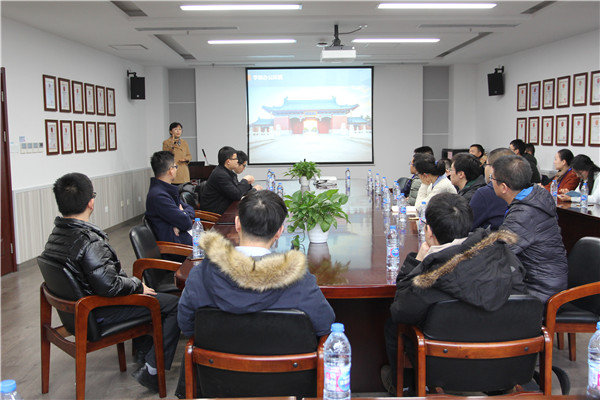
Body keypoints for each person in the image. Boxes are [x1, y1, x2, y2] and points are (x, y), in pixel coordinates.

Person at [176, 190, 335, 396]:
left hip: (218, 384)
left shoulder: (201, 275)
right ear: (279, 231)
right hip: (287, 387)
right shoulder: (299, 281)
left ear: (237, 224)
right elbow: (326, 325)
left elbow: (187, 325)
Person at [41, 173, 180, 393]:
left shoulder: (55, 236)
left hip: (77, 313)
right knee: (173, 305)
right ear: (91, 202)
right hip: (97, 313)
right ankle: (153, 371)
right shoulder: (89, 241)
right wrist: (137, 285)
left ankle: (145, 352)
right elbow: (110, 286)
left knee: (152, 298)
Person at [382, 193, 527, 394]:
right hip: (504, 362)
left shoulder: (431, 279)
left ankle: (405, 387)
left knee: (393, 325)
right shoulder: (504, 255)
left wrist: (417, 262)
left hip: (444, 369)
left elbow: (400, 310)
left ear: (429, 232)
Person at [492, 155, 568, 302]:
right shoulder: (533, 197)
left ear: (503, 187)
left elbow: (498, 251)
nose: (490, 181)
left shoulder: (525, 213)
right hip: (534, 279)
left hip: (540, 290)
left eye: (492, 178)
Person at [145, 151, 195, 246]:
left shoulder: (166, 190)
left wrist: (181, 219)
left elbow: (190, 209)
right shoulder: (159, 196)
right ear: (171, 170)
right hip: (177, 246)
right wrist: (182, 216)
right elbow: (186, 222)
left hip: (183, 238)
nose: (176, 170)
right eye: (176, 167)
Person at [200, 146, 262, 214]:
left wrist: (253, 190)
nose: (237, 161)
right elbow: (237, 195)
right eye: (235, 159)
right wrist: (245, 180)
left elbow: (238, 190)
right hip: (214, 213)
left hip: (224, 208)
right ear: (228, 161)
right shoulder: (220, 174)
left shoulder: (228, 172)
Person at [469, 148, 511, 231]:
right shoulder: (526, 189)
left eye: (486, 165)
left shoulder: (485, 193)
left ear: (493, 168)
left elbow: (467, 226)